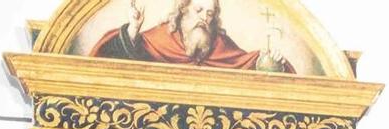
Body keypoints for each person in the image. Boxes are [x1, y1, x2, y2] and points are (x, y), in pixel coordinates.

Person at [89, 0, 293, 70]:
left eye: (210, 13)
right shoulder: (162, 37)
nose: (204, 17)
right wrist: (133, 29)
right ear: (183, 10)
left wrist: (271, 61)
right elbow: (108, 58)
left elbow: (246, 63)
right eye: (199, 10)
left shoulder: (220, 44)